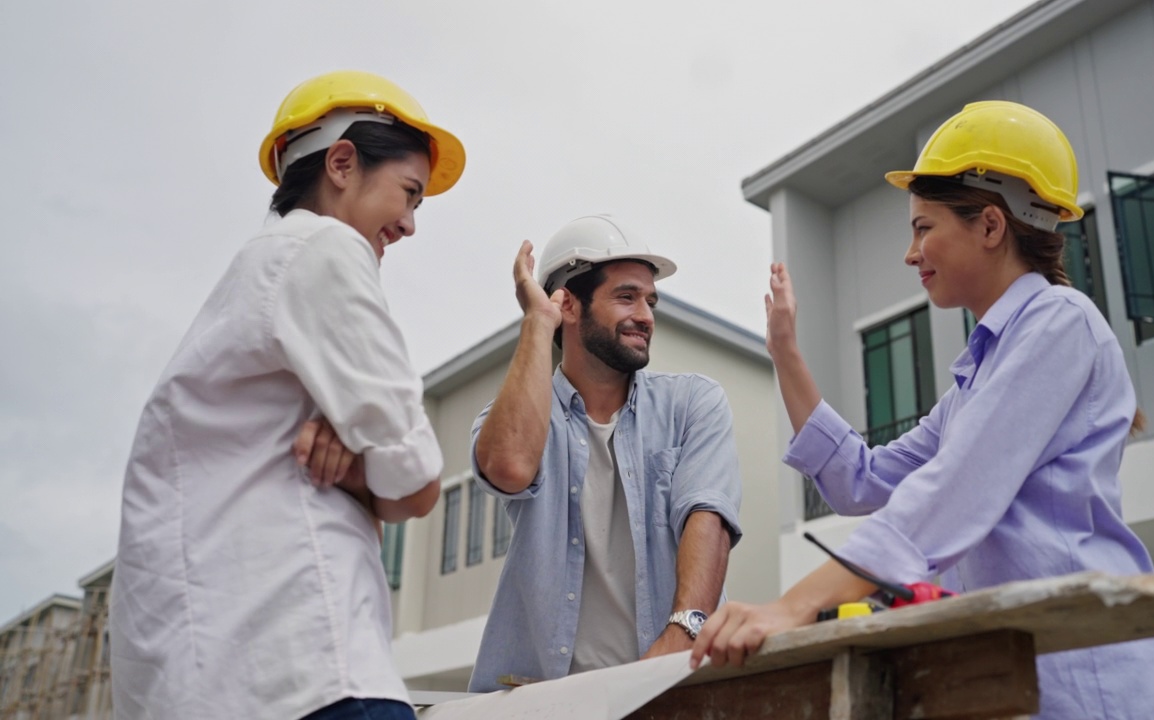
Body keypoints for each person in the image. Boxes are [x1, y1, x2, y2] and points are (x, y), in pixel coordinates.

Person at [689, 101, 1154, 718]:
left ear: (990, 226)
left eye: (924, 227)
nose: (911, 252)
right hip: (1029, 675)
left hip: (1096, 680)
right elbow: (865, 480)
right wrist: (786, 354)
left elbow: (951, 492)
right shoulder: (977, 378)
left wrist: (790, 606)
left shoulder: (1060, 323)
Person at [109, 70, 466, 720]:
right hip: (308, 670)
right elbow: (416, 481)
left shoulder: (248, 286)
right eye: (409, 194)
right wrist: (367, 469)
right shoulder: (324, 248)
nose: (411, 224)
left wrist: (352, 436)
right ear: (341, 162)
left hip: (200, 683)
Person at [467, 215, 743, 692]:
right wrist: (537, 324)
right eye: (626, 296)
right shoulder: (514, 416)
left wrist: (684, 633)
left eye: (650, 300)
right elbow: (509, 466)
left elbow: (708, 516)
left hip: (664, 687)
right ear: (568, 305)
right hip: (543, 701)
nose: (646, 315)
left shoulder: (693, 404)